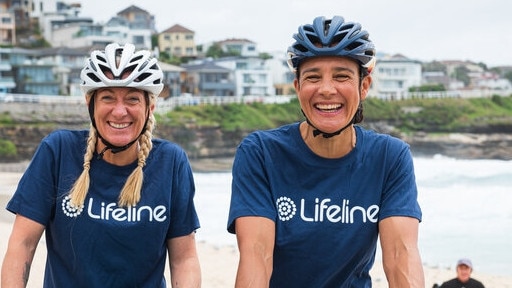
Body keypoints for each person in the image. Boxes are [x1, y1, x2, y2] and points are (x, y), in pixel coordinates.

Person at [227, 15, 424, 287]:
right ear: (297, 87)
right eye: (313, 77)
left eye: (342, 76)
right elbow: (257, 255)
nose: (327, 89)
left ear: (363, 86)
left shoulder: (390, 157)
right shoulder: (260, 153)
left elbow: (401, 255)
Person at [1, 43, 201, 287]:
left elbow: (184, 259)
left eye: (132, 99)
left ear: (150, 107)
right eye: (107, 97)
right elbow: (23, 244)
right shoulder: (58, 151)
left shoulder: (171, 162)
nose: (119, 111)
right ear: (90, 103)